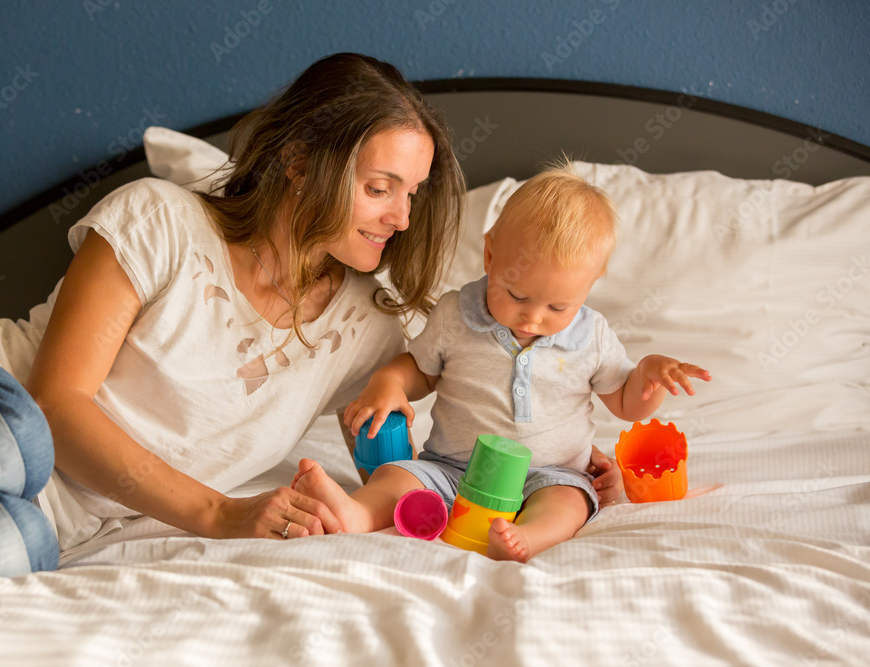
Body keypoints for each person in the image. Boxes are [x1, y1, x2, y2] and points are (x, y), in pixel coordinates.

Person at [0, 54, 623, 578]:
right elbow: (58, 406)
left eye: (413, 194)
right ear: (300, 161)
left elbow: (421, 468)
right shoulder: (159, 219)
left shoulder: (372, 332)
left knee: (19, 543)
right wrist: (219, 513)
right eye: (380, 186)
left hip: (41, 509)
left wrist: (551, 460)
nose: (400, 216)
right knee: (24, 436)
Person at [292, 163, 712, 563]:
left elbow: (625, 403)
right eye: (517, 296)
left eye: (558, 306)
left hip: (547, 475)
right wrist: (389, 383)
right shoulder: (456, 315)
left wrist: (649, 379)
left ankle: (527, 537)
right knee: (398, 478)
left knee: (570, 504)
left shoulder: (592, 336)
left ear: (591, 284)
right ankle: (355, 515)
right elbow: (419, 370)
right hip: (453, 467)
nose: (532, 318)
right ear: (490, 255)